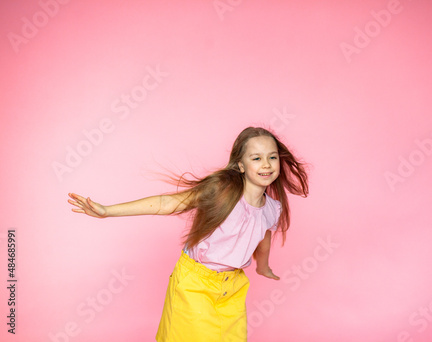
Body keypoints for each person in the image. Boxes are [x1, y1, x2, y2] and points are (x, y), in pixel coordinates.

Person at [68, 126, 309, 342]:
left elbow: (262, 237)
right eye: (256, 158)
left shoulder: (271, 209)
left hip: (232, 286)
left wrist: (262, 266)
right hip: (195, 282)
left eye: (272, 157)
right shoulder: (221, 191)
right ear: (241, 165)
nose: (266, 164)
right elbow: (167, 203)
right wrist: (107, 211)